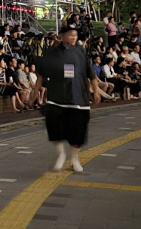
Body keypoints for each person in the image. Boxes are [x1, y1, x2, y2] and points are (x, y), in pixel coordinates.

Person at [35, 21, 100, 173]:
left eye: (75, 35)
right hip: (56, 96)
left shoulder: (80, 52)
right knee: (54, 125)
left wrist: (95, 90)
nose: (73, 38)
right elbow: (41, 74)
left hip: (78, 97)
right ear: (62, 36)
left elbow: (91, 74)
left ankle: (74, 158)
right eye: (70, 35)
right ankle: (61, 155)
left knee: (78, 130)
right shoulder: (51, 52)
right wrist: (34, 92)